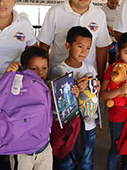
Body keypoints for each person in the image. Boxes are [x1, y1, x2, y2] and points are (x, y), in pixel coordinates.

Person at [38, 0, 111, 79]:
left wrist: (100, 77)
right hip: (59, 77)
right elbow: (44, 45)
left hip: (87, 78)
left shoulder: (99, 14)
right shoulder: (55, 12)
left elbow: (101, 48)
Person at [50, 26, 99, 170]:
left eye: (88, 48)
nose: (84, 52)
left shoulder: (90, 68)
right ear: (68, 45)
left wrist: (97, 87)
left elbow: (96, 95)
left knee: (87, 163)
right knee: (66, 163)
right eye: (80, 46)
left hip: (88, 125)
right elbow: (56, 104)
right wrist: (72, 93)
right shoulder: (58, 70)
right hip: (67, 128)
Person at [99, 33, 127, 170]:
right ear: (118, 51)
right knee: (116, 147)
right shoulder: (112, 69)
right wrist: (119, 91)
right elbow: (102, 96)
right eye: (126, 52)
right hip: (117, 116)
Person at [5, 46, 52, 170]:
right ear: (24, 69)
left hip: (44, 147)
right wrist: (7, 75)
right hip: (21, 150)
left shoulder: (49, 89)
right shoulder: (17, 88)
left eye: (44, 68)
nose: (40, 73)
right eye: (34, 69)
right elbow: (3, 99)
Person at [102, 0, 120, 65]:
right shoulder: (102, 10)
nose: (114, 5)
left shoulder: (120, 10)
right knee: (104, 54)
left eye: (116, 3)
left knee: (114, 55)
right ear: (108, 0)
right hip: (105, 34)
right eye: (112, 3)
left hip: (115, 35)